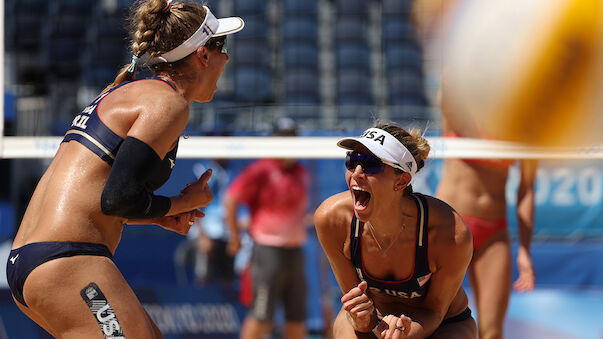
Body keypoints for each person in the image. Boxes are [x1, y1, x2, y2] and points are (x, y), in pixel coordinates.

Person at [5, 1, 244, 337]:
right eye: (222, 48)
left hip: (37, 259)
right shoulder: (167, 102)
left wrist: (158, 214)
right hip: (67, 259)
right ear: (203, 55)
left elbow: (98, 198)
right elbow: (117, 200)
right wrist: (180, 204)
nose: (227, 58)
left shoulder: (126, 93)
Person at [314, 122, 477, 339]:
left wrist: (402, 333)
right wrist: (365, 321)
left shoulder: (450, 233)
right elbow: (356, 302)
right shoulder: (332, 220)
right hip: (374, 319)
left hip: (442, 323)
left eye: (372, 164)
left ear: (401, 181)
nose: (357, 173)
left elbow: (435, 312)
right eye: (353, 161)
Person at [436, 87, 537, 339]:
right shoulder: (460, 113)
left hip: (494, 231)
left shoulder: (524, 127)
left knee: (492, 331)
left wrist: (525, 250)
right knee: (437, 323)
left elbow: (526, 190)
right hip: (450, 226)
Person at [225, 117, 310, 339]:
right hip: (267, 250)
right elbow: (231, 199)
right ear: (273, 140)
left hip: (296, 250)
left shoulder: (301, 172)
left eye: (292, 137)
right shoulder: (261, 169)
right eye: (283, 138)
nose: (288, 142)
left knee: (297, 318)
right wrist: (235, 238)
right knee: (261, 316)